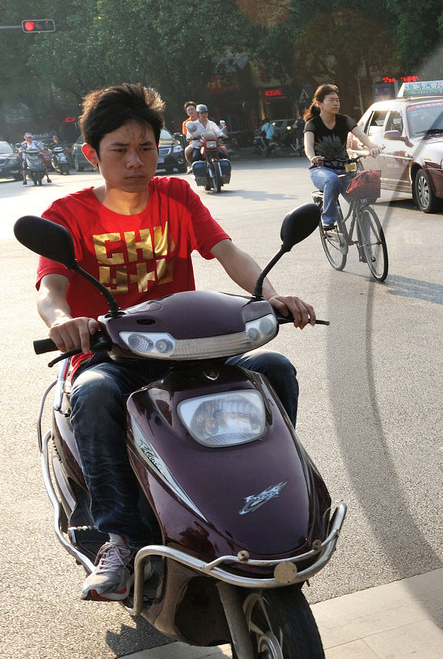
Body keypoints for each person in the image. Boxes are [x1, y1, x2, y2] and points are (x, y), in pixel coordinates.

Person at [33, 84, 317, 601]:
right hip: (111, 355)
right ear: (91, 154)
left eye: (146, 149)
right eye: (120, 150)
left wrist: (272, 296)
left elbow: (227, 251)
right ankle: (121, 538)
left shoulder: (178, 196)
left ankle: (267, 500)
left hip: (190, 349)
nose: (136, 162)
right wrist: (63, 321)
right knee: (95, 394)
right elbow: (50, 288)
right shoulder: (67, 213)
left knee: (274, 370)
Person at [302, 84, 376, 230]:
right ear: (320, 104)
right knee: (332, 180)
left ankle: (368, 249)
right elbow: (308, 146)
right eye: (331, 100)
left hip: (344, 168)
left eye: (337, 100)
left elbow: (361, 136)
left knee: (361, 203)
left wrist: (372, 146)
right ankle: (328, 220)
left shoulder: (345, 120)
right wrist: (313, 158)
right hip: (321, 170)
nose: (336, 103)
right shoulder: (312, 124)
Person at [184, 104, 228, 174]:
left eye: (205, 112)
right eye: (202, 113)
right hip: (199, 146)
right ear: (198, 114)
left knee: (223, 155)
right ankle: (195, 170)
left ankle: (224, 172)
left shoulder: (211, 123)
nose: (204, 115)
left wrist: (223, 135)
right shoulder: (193, 124)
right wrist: (191, 137)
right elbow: (189, 135)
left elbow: (218, 132)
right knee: (195, 159)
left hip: (212, 146)